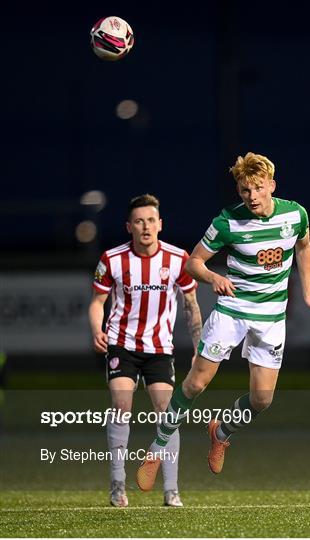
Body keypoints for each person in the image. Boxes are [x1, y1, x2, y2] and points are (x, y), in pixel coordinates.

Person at [136, 152, 310, 491]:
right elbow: (193, 262)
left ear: (271, 185)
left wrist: (309, 294)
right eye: (244, 190)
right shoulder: (227, 221)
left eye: (257, 188)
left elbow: (304, 247)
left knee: (262, 400)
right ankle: (157, 448)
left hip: (271, 318)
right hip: (232, 311)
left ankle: (221, 431)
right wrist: (213, 277)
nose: (251, 196)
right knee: (196, 383)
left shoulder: (295, 214)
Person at [89, 194, 202, 507]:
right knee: (121, 403)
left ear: (160, 224)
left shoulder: (178, 259)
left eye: (151, 220)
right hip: (121, 343)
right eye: (139, 221)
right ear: (129, 226)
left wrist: (199, 347)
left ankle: (171, 490)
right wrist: (97, 330)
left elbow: (191, 305)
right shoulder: (112, 259)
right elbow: (97, 303)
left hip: (159, 348)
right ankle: (117, 484)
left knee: (166, 414)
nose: (146, 226)